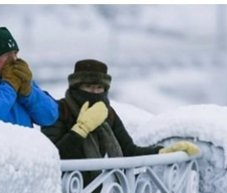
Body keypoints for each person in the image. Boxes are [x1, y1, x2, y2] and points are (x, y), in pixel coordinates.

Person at [41, 59, 199, 160]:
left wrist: (163, 152)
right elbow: (52, 156)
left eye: (99, 88)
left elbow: (129, 151)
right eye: (88, 87)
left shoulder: (107, 114)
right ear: (76, 87)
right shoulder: (59, 110)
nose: (94, 93)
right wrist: (81, 129)